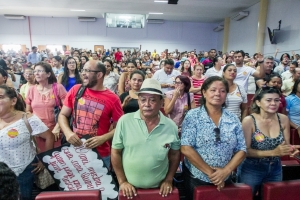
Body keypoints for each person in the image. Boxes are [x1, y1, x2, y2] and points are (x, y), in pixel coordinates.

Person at [111, 78, 180, 199]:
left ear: (161, 103)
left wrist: (169, 180)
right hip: (130, 190)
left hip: (159, 190)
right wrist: (122, 181)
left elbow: (174, 155)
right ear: (138, 102)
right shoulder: (125, 121)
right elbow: (116, 152)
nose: (147, 104)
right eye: (143, 100)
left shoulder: (171, 126)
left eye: (152, 100)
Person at [180, 76, 246, 200]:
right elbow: (186, 148)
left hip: (225, 177)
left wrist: (226, 171)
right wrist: (213, 175)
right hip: (197, 177)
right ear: (204, 92)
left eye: (222, 91)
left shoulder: (233, 118)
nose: (218, 94)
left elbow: (242, 149)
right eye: (213, 90)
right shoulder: (193, 115)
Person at [58, 61, 123, 168]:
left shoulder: (113, 99)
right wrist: (68, 132)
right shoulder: (76, 90)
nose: (83, 73)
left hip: (100, 154)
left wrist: (103, 138)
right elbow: (62, 115)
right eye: (83, 70)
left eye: (87, 70)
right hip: (75, 152)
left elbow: (120, 127)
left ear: (99, 75)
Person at [238, 87, 298, 199]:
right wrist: (273, 152)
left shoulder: (283, 119)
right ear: (258, 102)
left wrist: (292, 149)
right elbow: (245, 151)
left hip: (275, 167)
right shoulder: (249, 121)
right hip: (252, 168)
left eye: (276, 100)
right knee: (246, 197)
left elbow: (285, 146)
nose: (273, 103)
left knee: (272, 197)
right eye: (269, 100)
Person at [0, 85, 54, 200]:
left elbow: (49, 136)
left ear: (13, 101)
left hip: (23, 172)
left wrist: (44, 161)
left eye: (0, 97)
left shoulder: (27, 118)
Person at [26, 62, 67, 151]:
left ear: (48, 74)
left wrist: (58, 127)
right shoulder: (31, 89)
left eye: (39, 71)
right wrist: (36, 126)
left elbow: (66, 109)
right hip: (38, 131)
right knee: (41, 158)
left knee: (55, 157)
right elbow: (28, 111)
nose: (36, 73)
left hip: (55, 130)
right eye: (35, 71)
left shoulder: (58, 88)